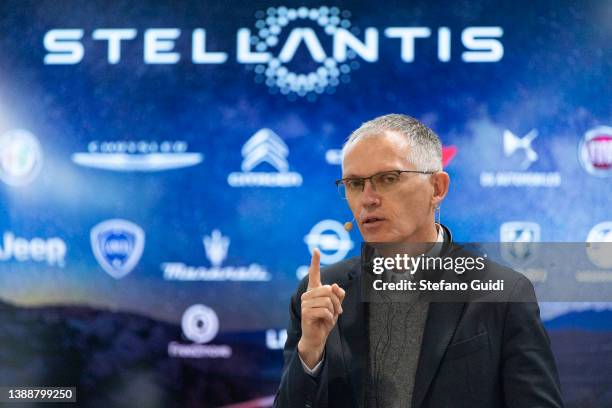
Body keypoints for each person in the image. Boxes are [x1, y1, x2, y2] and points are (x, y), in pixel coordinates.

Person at [273, 114, 563, 407]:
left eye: (388, 179)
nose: (368, 198)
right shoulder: (319, 294)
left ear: (436, 188)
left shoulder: (504, 293)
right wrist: (309, 353)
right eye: (354, 183)